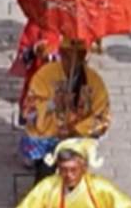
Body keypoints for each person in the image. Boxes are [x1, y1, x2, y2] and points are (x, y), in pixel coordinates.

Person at [18, 38, 109, 174]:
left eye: (78, 55)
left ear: (84, 56)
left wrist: (76, 130)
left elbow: (102, 116)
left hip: (78, 139)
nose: (71, 60)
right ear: (61, 53)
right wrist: (52, 103)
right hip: (48, 136)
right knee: (45, 173)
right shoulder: (45, 74)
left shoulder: (95, 81)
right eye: (67, 55)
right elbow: (29, 109)